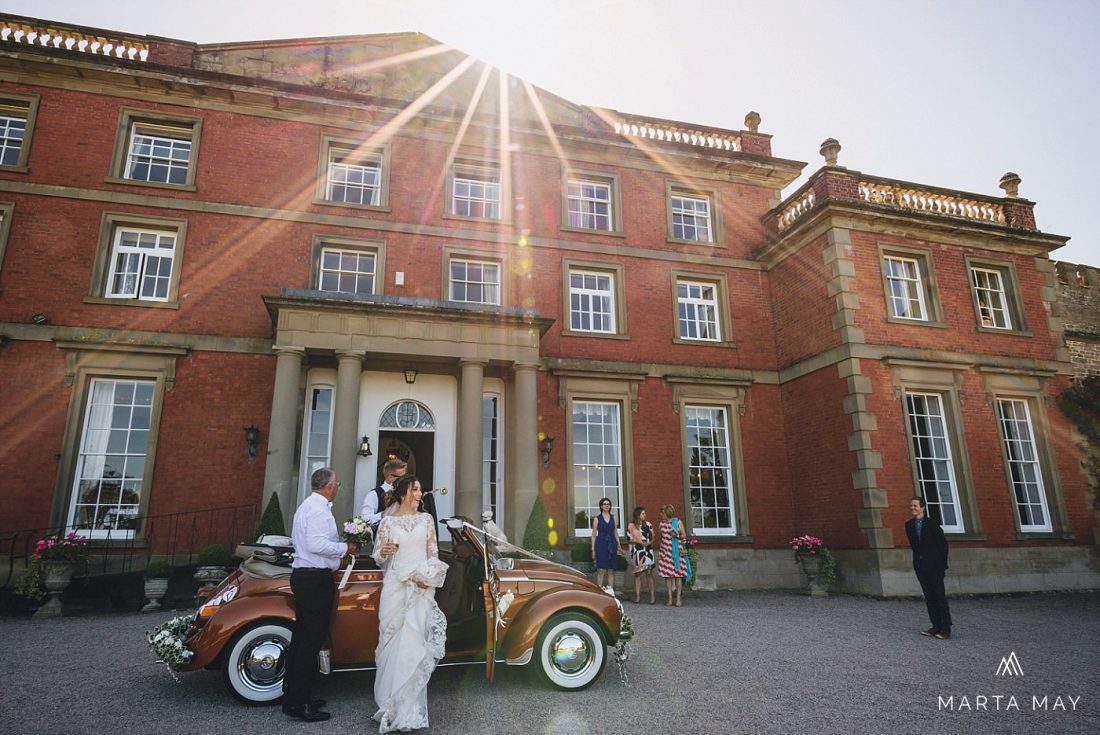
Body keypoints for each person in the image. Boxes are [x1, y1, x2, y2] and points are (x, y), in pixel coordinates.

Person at [372, 475, 448, 733]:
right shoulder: (388, 521)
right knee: (391, 642)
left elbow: (433, 555)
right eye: (415, 490)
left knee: (413, 646)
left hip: (419, 588)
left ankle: (409, 710)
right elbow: (377, 556)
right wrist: (384, 551)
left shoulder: (427, 520)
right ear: (404, 493)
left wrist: (428, 579)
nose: (420, 493)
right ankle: (389, 706)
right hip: (394, 586)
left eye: (420, 489)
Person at [283, 467, 358, 723]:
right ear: (328, 486)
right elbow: (316, 545)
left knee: (303, 636)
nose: (338, 486)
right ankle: (298, 702)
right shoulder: (317, 510)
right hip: (314, 579)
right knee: (311, 640)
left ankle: (293, 695)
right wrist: (344, 547)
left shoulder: (310, 506)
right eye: (337, 483)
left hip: (306, 577)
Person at [905, 496, 952, 639]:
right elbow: (915, 546)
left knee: (939, 596)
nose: (913, 508)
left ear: (923, 507)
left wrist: (942, 564)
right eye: (911, 506)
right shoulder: (909, 525)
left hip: (935, 566)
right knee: (929, 597)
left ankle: (946, 628)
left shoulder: (932, 524)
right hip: (920, 566)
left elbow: (943, 545)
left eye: (915, 506)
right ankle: (935, 625)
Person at [362, 458, 408, 531]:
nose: (406, 480)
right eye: (402, 477)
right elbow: (364, 520)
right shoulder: (374, 495)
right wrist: (382, 515)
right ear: (390, 477)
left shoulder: (407, 494)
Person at [656, 504, 687, 607]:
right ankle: (669, 598)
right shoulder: (661, 524)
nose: (661, 515)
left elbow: (684, 535)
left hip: (677, 552)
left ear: (667, 513)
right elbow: (660, 537)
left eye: (662, 513)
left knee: (678, 575)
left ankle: (678, 599)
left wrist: (677, 535)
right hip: (665, 552)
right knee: (668, 576)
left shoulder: (677, 522)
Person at [591, 497, 621, 594]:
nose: (606, 505)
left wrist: (619, 545)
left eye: (608, 504)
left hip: (612, 544)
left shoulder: (613, 517)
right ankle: (598, 592)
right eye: (604, 504)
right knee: (601, 569)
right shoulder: (597, 519)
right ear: (601, 506)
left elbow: (615, 532)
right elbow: (593, 535)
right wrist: (593, 550)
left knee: (611, 570)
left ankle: (611, 592)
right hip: (601, 544)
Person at [627, 506, 656, 604]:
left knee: (649, 573)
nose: (645, 515)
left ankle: (652, 597)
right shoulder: (631, 526)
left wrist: (649, 542)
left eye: (645, 513)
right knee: (637, 575)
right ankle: (638, 597)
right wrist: (637, 542)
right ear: (638, 515)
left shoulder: (648, 525)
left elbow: (653, 537)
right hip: (637, 551)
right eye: (643, 513)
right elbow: (629, 540)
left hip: (647, 551)